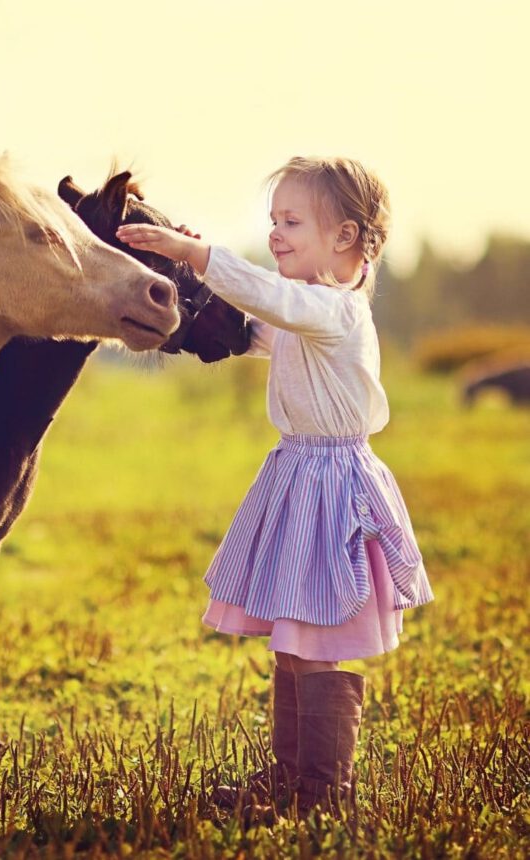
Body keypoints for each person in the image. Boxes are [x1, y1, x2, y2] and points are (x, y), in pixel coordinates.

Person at [117, 156, 434, 819]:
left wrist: (198, 254)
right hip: (299, 477)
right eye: (273, 222)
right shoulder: (307, 315)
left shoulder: (335, 311)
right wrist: (186, 289)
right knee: (293, 642)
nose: (276, 234)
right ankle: (288, 777)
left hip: (331, 486)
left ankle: (321, 792)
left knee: (317, 642)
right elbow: (255, 325)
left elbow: (275, 301)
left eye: (291, 222)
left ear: (345, 237)